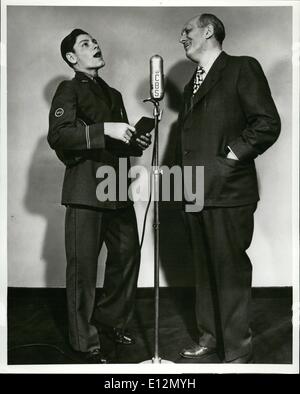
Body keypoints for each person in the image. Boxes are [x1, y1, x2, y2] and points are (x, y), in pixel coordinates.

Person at [176, 14, 280, 363]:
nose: (182, 38)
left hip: (228, 189)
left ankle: (236, 349)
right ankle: (210, 337)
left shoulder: (241, 67)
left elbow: (267, 123)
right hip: (194, 191)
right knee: (203, 269)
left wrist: (231, 156)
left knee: (228, 269)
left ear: (208, 31)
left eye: (187, 31)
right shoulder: (192, 84)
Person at [47, 29, 151, 363]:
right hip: (85, 192)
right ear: (71, 58)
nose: (95, 45)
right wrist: (106, 129)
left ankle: (109, 324)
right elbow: (59, 135)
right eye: (85, 44)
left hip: (116, 189)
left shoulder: (114, 94)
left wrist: (134, 141)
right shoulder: (68, 89)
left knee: (127, 258)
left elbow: (115, 141)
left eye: (95, 41)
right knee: (84, 272)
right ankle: (85, 342)